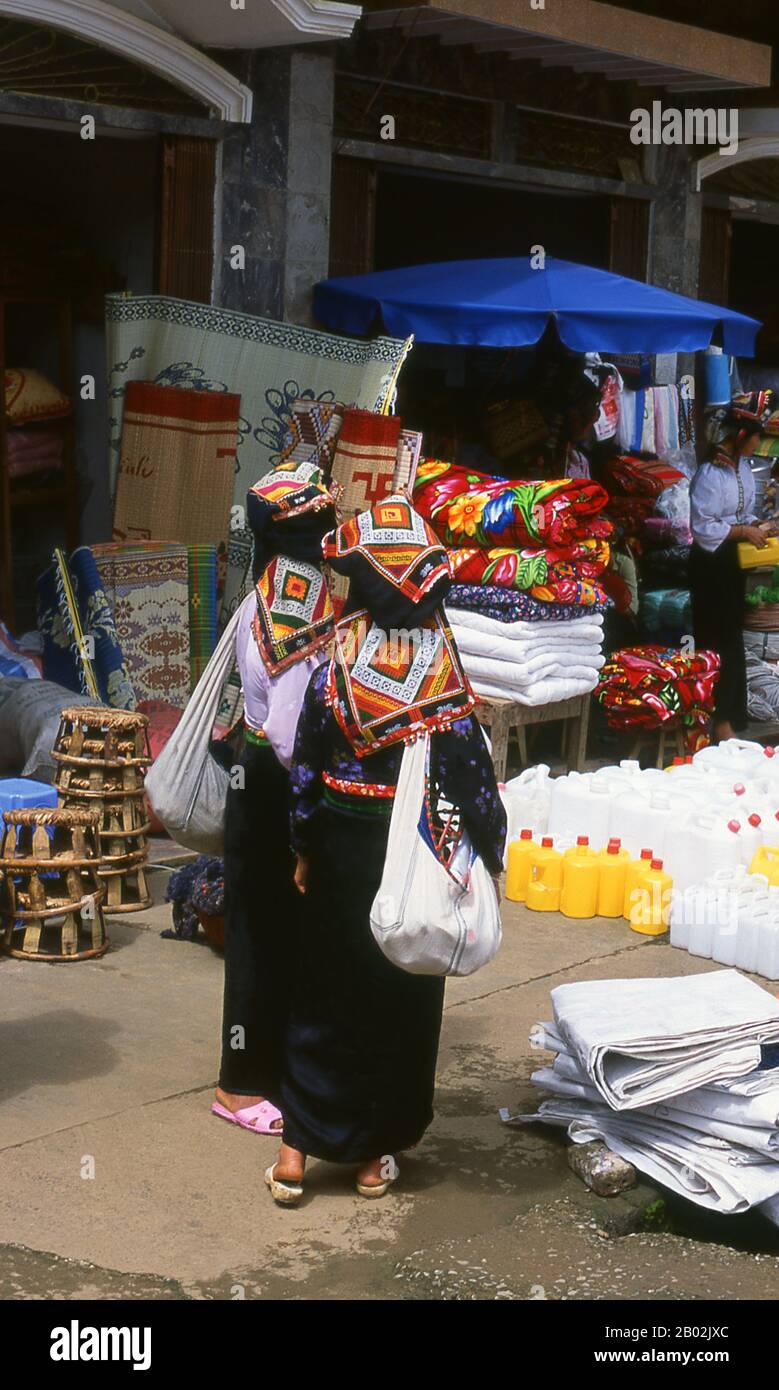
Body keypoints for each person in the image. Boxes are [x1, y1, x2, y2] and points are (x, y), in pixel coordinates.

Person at [264, 495, 507, 1205]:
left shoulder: (333, 666)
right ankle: (372, 1160)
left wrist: (303, 847)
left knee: (323, 993)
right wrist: (490, 854)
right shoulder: (442, 672)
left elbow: (305, 770)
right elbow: (471, 779)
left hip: (340, 848)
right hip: (415, 856)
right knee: (397, 995)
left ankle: (294, 1154)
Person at [212, 460, 336, 1136]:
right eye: (315, 520)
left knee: (274, 929)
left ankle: (269, 1068)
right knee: (261, 933)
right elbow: (289, 729)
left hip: (261, 771)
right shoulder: (296, 601)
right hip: (273, 779)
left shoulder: (280, 582)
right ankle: (238, 1085)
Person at [689, 392, 777, 742]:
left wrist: (760, 525)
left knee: (732, 637)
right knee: (717, 638)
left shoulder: (741, 468)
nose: (758, 444)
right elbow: (703, 526)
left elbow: (742, 513)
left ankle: (729, 717)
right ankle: (717, 719)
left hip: (731, 563)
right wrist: (743, 531)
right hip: (710, 564)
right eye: (756, 437)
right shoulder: (710, 473)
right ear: (741, 435)